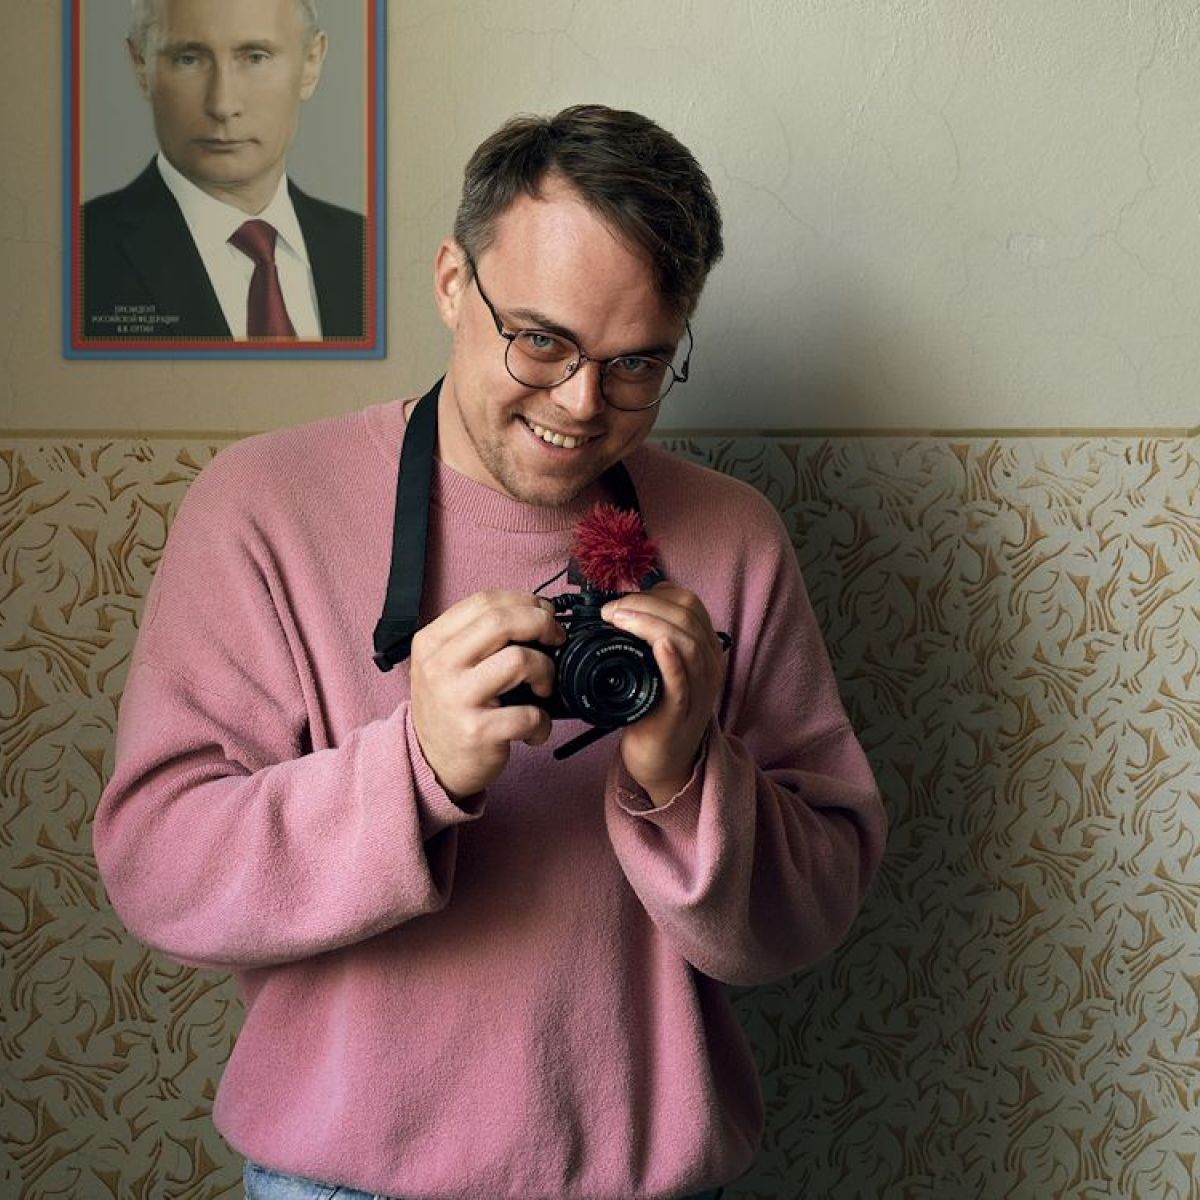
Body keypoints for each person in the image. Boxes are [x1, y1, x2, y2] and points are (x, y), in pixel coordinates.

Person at [94, 105, 887, 1200]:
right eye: (543, 340)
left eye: (636, 363)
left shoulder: (731, 536)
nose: (582, 404)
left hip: (648, 1183)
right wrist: (411, 769)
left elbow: (815, 905)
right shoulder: (262, 509)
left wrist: (689, 777)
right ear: (452, 284)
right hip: (342, 1185)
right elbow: (160, 873)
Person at [80, 0, 366, 342]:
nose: (222, 104)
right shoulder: (69, 258)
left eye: (255, 57)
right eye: (189, 59)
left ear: (311, 62)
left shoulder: (373, 253)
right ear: (141, 65)